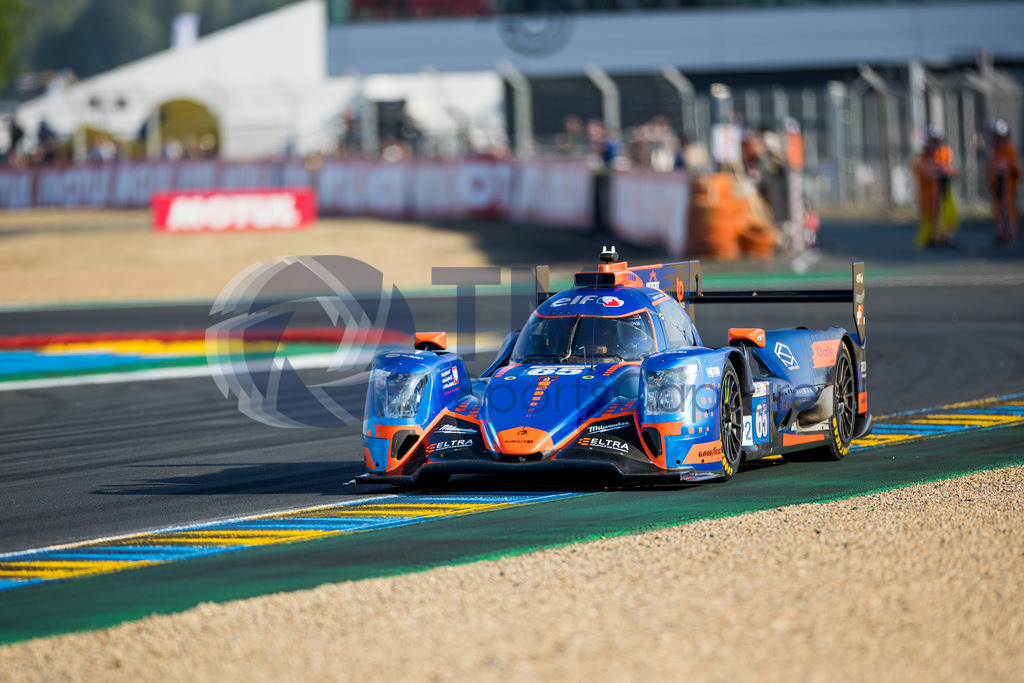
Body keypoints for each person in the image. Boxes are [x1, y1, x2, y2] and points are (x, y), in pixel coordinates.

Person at [912, 127, 959, 248]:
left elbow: (953, 171)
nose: (934, 144)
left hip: (943, 190)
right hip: (928, 193)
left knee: (949, 213)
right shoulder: (922, 158)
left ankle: (948, 238)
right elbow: (917, 172)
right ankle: (933, 238)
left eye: (936, 141)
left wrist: (946, 171)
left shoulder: (944, 153)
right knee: (930, 216)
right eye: (932, 141)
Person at [985, 119, 1020, 245]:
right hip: (996, 186)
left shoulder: (1010, 149)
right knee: (998, 211)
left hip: (1007, 186)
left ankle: (1010, 235)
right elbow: (989, 167)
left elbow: (1015, 169)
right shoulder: (993, 150)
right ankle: (1000, 235)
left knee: (1008, 210)